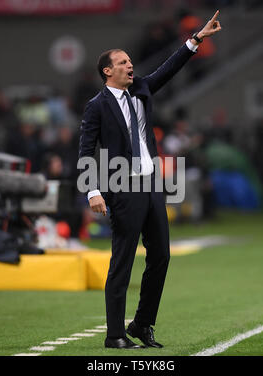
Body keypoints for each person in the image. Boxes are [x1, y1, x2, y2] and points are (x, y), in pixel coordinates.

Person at [79, 11, 222, 349]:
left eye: (130, 62)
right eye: (124, 62)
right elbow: (85, 149)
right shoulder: (97, 106)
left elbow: (169, 69)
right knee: (123, 259)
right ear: (108, 71)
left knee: (160, 256)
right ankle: (114, 334)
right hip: (123, 187)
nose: (131, 66)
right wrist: (93, 191)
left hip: (152, 184)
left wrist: (195, 40)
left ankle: (142, 324)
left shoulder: (142, 88)